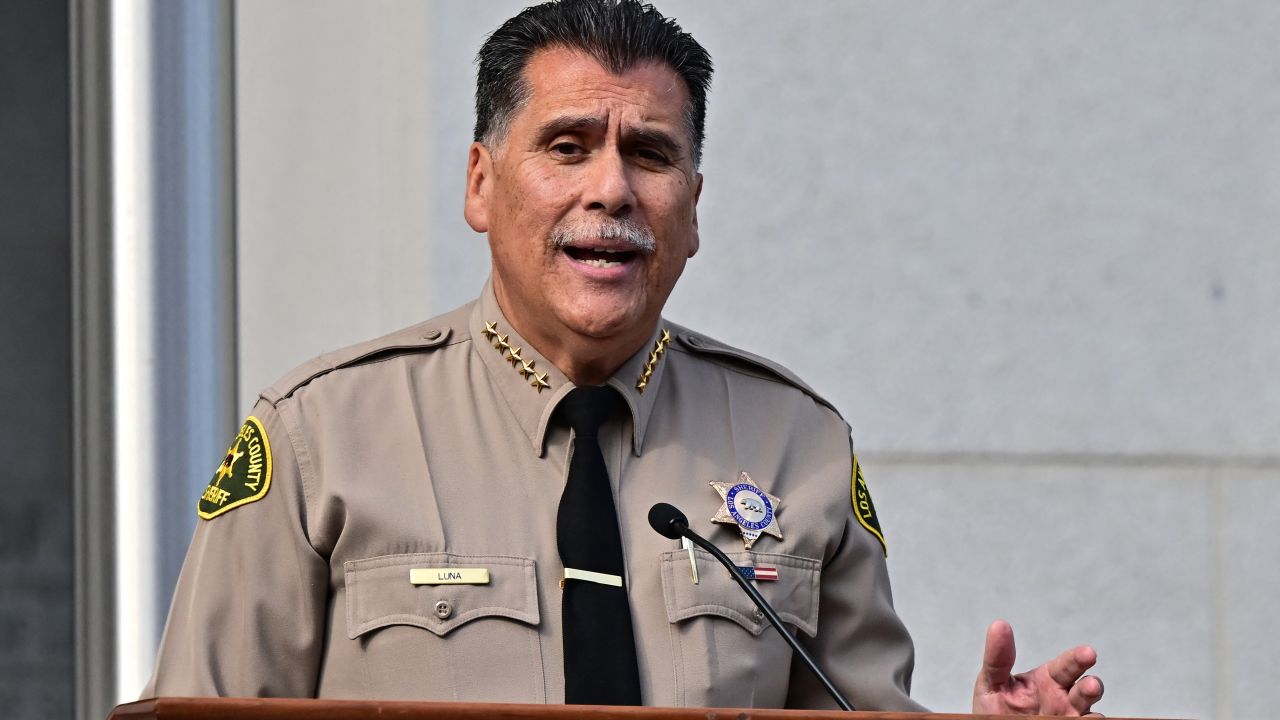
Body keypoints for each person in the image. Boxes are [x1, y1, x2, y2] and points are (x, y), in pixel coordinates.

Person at [147, 1, 1104, 715]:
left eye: (648, 154)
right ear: (481, 184)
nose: (610, 188)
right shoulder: (321, 437)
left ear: (693, 207)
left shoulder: (793, 445)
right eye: (566, 146)